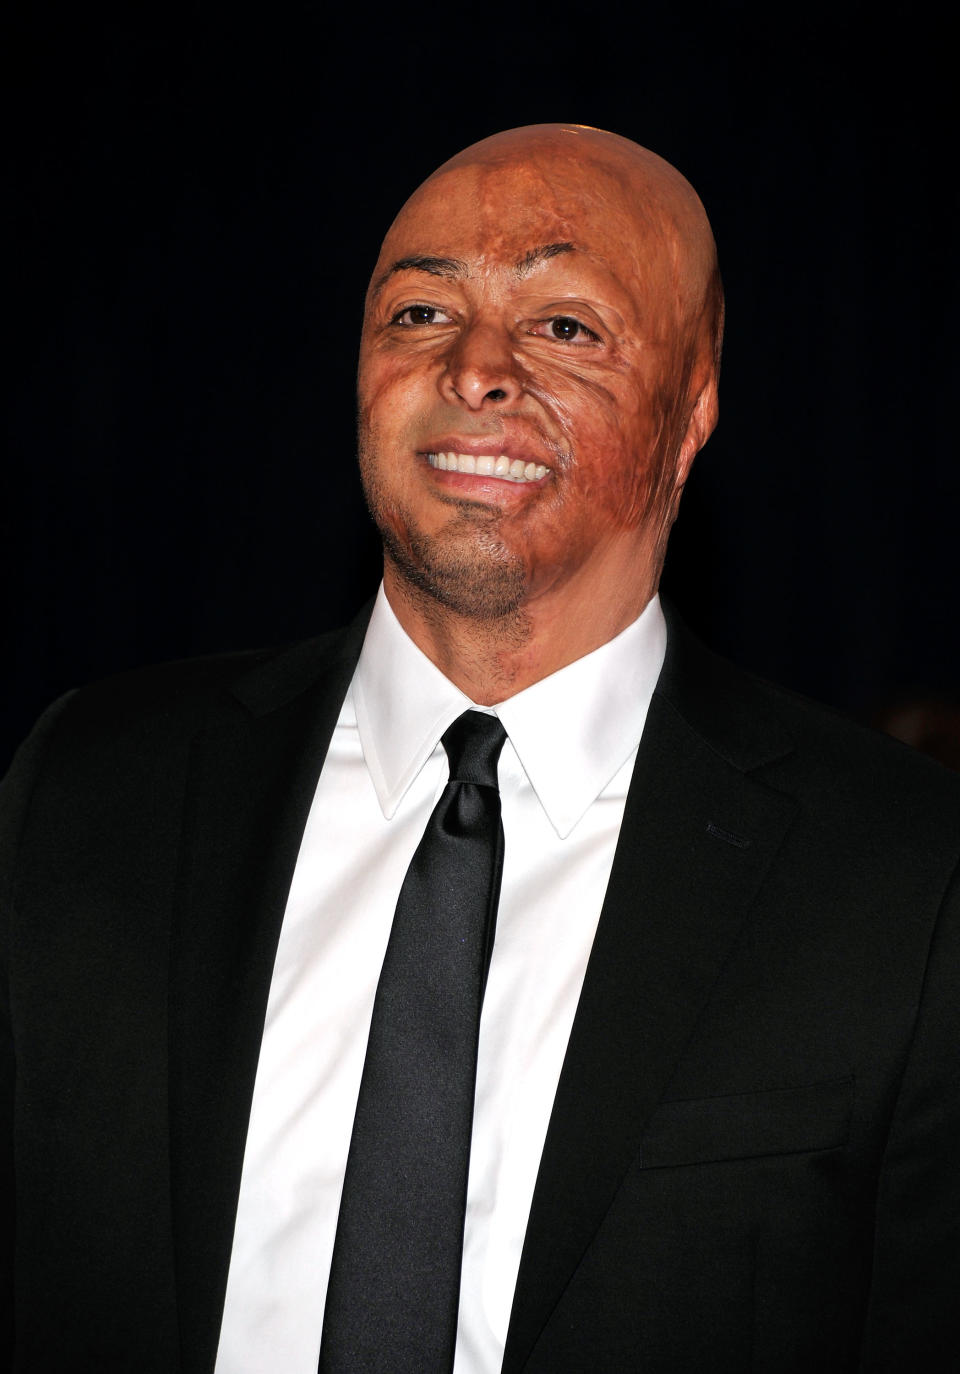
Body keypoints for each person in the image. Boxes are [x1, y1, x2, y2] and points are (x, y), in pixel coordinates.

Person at [1, 124, 958, 1374]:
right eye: (418, 311)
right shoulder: (83, 791)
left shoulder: (905, 880)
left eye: (565, 326)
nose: (476, 368)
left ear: (695, 403)